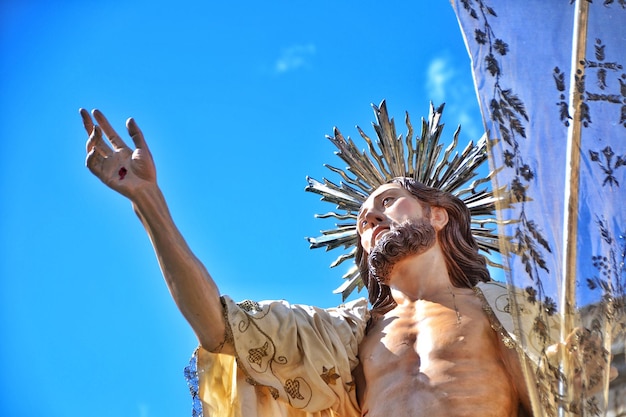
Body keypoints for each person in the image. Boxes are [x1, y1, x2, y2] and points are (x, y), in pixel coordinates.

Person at [81, 108, 613, 417]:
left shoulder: (510, 315)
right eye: (362, 219)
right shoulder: (341, 338)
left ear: (439, 215)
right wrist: (149, 203)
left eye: (387, 201)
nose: (372, 219)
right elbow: (219, 329)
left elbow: (582, 379)